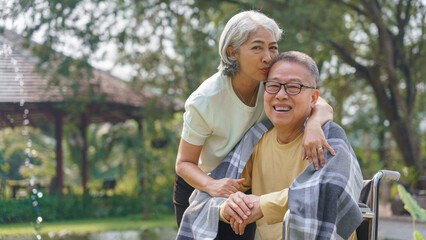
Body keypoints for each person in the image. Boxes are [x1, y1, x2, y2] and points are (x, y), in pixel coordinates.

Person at [173, 10, 335, 233]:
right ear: (233, 53)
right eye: (257, 47)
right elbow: (183, 164)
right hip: (204, 184)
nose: (268, 57)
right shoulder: (205, 100)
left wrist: (315, 125)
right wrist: (213, 185)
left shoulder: (272, 84)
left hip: (244, 183)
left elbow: (318, 102)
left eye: (273, 47)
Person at [219, 51, 363, 239]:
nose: (281, 95)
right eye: (273, 86)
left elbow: (327, 192)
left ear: (313, 98)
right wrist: (228, 206)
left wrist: (263, 205)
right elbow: (222, 189)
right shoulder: (256, 140)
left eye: (293, 87)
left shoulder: (328, 137)